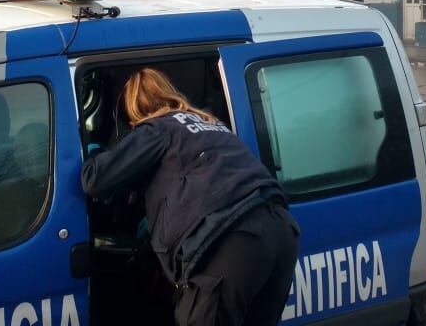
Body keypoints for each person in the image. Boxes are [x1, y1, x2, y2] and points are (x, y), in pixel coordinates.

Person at [81, 67, 300, 326]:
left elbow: (95, 180)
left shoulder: (156, 128)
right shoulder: (211, 124)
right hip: (282, 232)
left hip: (233, 241)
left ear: (133, 114)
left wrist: (93, 151)